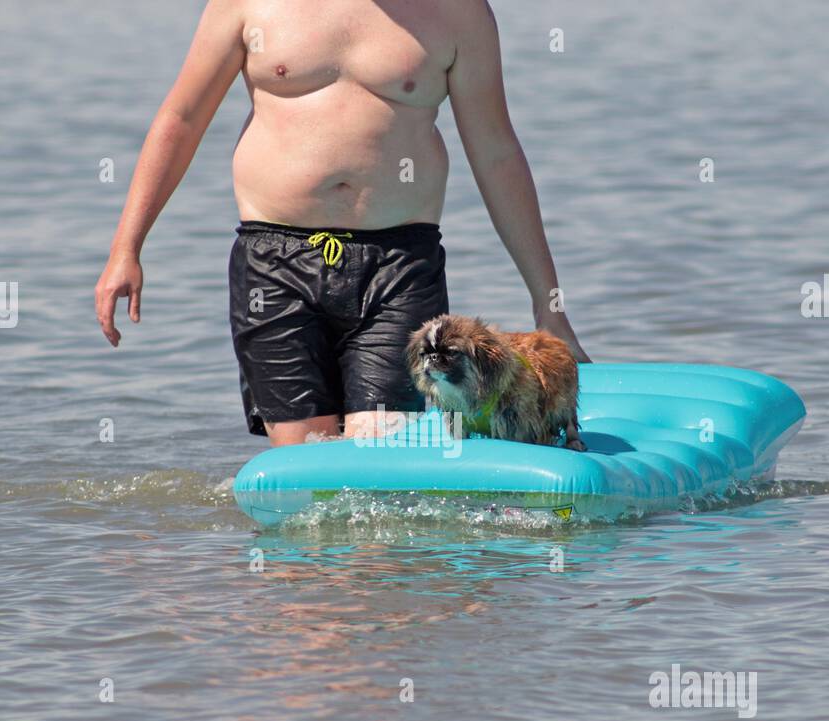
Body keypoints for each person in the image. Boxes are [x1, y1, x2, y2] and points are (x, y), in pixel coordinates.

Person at [95, 0, 590, 446]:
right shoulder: (245, 5)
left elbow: (497, 152)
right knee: (307, 471)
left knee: (383, 460)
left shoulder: (458, 13)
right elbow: (180, 120)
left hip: (398, 268)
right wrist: (127, 248)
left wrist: (548, 303)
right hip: (274, 265)